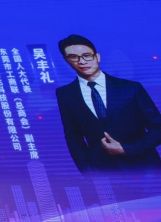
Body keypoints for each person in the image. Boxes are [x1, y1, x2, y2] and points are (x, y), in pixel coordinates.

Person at [56, 34, 161, 173]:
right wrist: (89, 172)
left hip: (145, 168)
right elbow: (73, 136)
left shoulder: (131, 88)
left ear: (97, 57)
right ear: (66, 60)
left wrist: (127, 149)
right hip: (103, 171)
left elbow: (158, 128)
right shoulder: (65, 94)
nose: (82, 61)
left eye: (87, 55)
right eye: (73, 57)